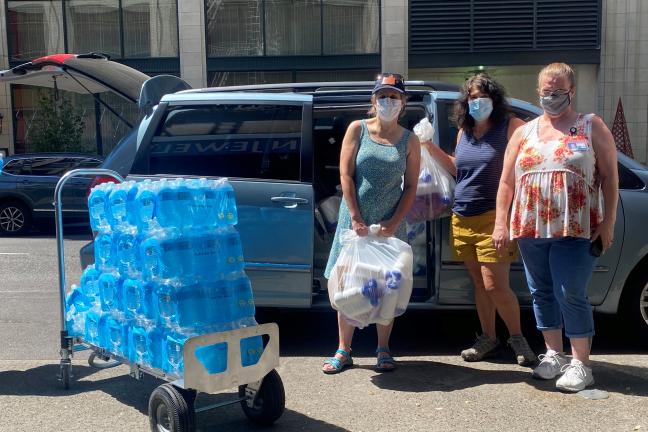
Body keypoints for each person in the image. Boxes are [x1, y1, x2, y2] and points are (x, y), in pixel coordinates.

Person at [492, 63, 619, 391]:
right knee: (541, 292)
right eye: (546, 91)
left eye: (558, 91)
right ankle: (553, 354)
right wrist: (500, 224)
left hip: (576, 227)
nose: (551, 96)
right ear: (538, 92)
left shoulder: (590, 126)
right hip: (530, 226)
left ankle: (582, 364)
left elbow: (610, 178)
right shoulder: (524, 132)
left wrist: (608, 223)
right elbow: (507, 181)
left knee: (570, 292)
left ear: (572, 91)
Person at [424, 73, 536, 366]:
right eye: (472, 97)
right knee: (478, 282)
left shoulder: (512, 126)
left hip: (494, 217)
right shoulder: (465, 132)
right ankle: (488, 338)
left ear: (494, 99)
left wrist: (508, 215)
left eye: (482, 96)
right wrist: (427, 146)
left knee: (494, 284)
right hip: (462, 216)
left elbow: (530, 164)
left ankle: (517, 338)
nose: (477, 102)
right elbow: (457, 169)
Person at [322, 73, 421, 374]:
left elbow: (411, 187)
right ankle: (343, 349)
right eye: (383, 96)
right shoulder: (358, 130)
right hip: (355, 223)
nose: (388, 102)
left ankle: (383, 348)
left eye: (394, 96)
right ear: (373, 100)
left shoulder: (409, 139)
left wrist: (394, 222)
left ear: (403, 103)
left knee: (386, 287)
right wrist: (355, 216)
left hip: (389, 226)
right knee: (348, 284)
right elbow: (346, 175)